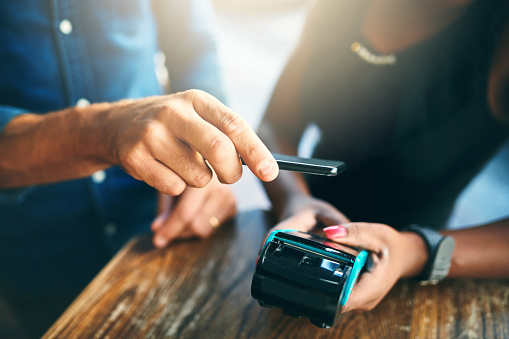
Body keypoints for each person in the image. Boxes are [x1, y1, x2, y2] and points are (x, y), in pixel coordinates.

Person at [0, 0, 278, 337]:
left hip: (170, 216)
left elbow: (193, 46)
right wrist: (104, 130)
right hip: (40, 253)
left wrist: (209, 145)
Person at [259, 0, 509, 313]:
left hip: (420, 280)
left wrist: (413, 251)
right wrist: (293, 196)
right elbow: (277, 124)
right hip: (297, 232)